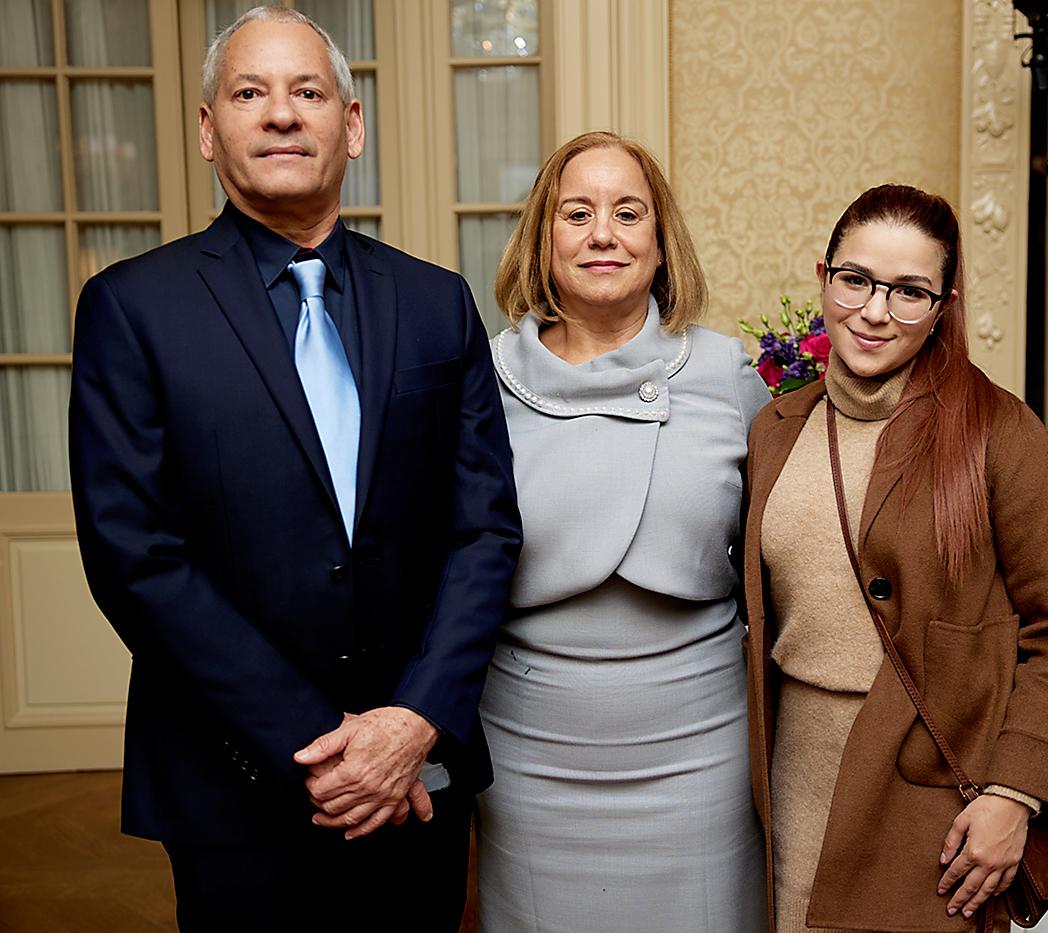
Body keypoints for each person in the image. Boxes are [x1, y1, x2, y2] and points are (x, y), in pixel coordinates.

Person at [68, 7, 520, 929]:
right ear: (207, 129)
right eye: (249, 93)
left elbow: (484, 530)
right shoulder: (131, 309)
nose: (281, 114)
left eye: (308, 92)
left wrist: (414, 722)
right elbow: (136, 556)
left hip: (418, 777)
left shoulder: (439, 303)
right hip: (233, 787)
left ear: (351, 126)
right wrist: (321, 748)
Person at [742, 185, 1048, 932]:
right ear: (824, 277)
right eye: (857, 280)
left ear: (944, 304)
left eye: (910, 291)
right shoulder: (775, 428)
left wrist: (1013, 792)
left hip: (928, 799)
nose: (875, 311)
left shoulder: (1001, 433)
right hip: (791, 774)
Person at [474, 131, 771, 932]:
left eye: (627, 212)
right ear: (544, 237)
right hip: (529, 759)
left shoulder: (730, 376)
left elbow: (784, 558)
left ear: (659, 239)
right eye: (577, 212)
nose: (603, 233)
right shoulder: (479, 380)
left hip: (700, 756)